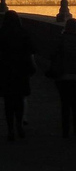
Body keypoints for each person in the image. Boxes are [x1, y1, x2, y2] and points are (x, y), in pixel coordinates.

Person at [50, 18, 76, 138]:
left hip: (63, 76)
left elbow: (53, 55)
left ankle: (65, 130)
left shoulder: (61, 40)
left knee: (65, 104)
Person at [0, 11, 37, 141]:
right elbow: (31, 51)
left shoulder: (2, 34)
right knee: (20, 100)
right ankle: (19, 125)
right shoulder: (24, 34)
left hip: (5, 73)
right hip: (21, 72)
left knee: (8, 103)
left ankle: (10, 129)